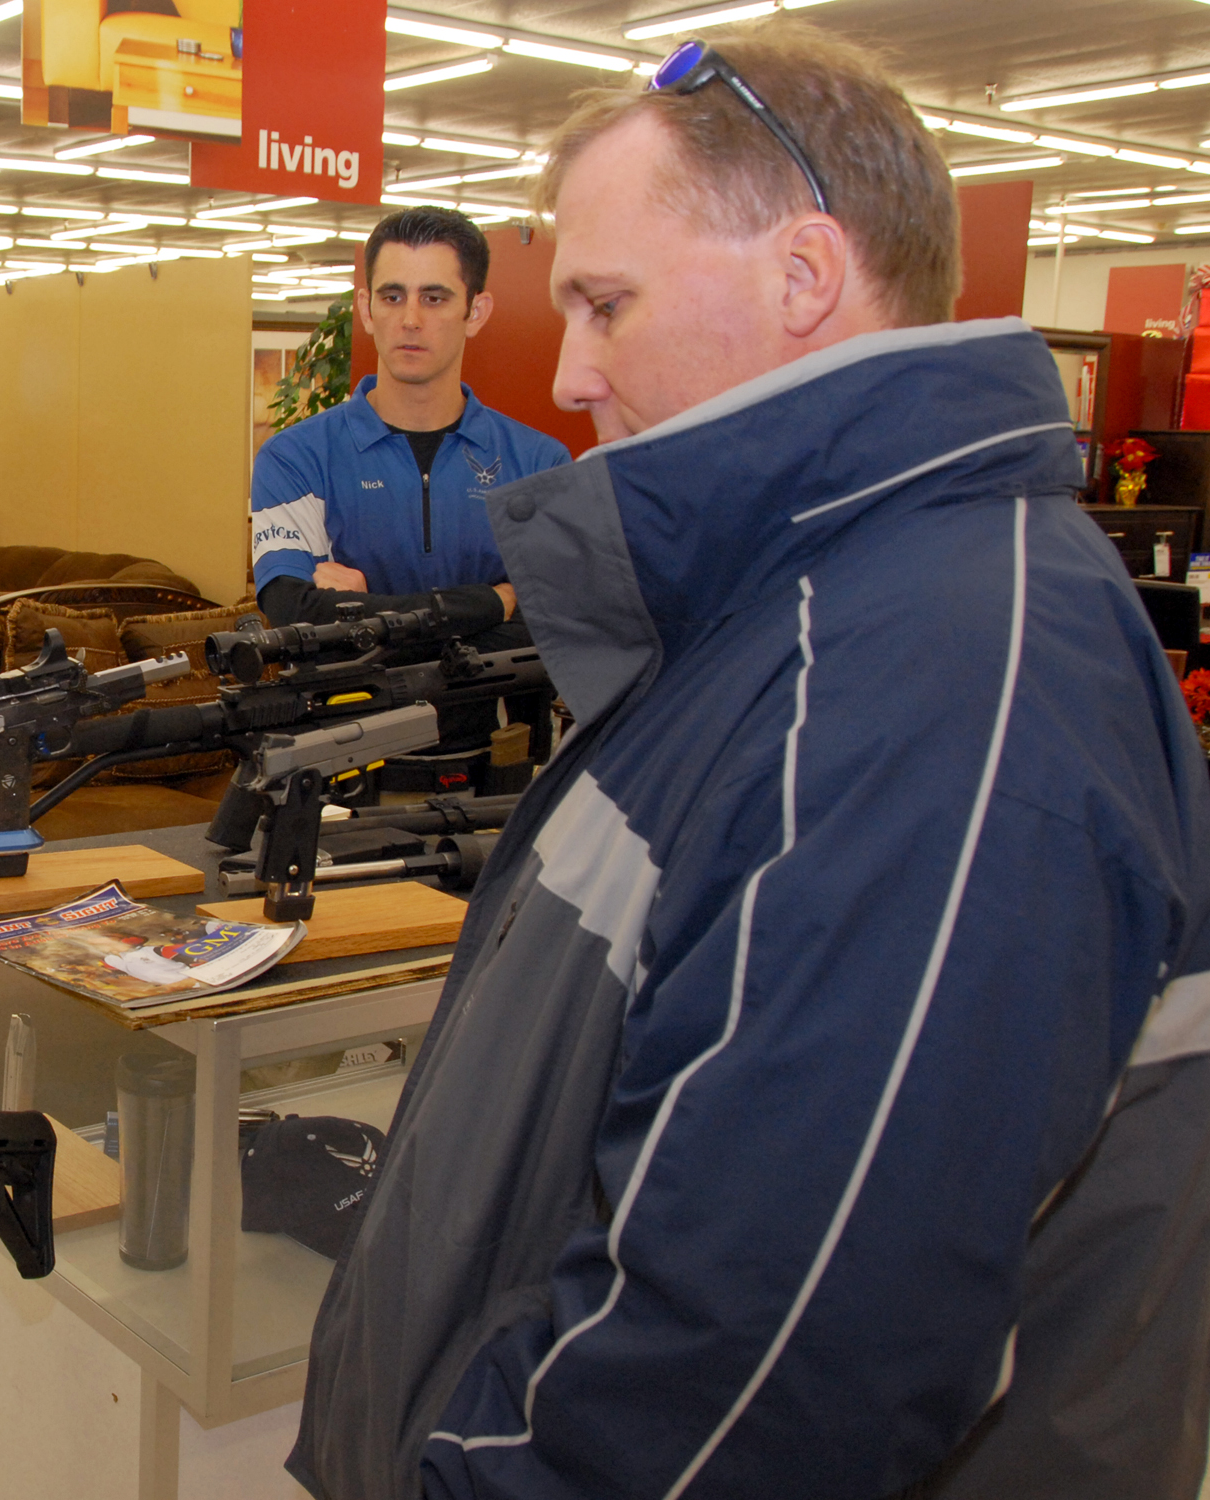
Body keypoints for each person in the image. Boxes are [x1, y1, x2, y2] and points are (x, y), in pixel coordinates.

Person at [289, 25, 1210, 1500]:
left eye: (604, 305)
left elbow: (756, 1380)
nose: (573, 373)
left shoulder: (944, 677)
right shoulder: (798, 611)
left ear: (802, 276)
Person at [250, 205, 569, 634]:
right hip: (352, 703)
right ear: (366, 309)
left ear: (475, 312)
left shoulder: (540, 464)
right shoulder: (295, 459)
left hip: (496, 703)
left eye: (434, 298)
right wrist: (497, 600)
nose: (411, 320)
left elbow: (559, 621)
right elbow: (297, 613)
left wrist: (364, 610)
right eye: (392, 296)